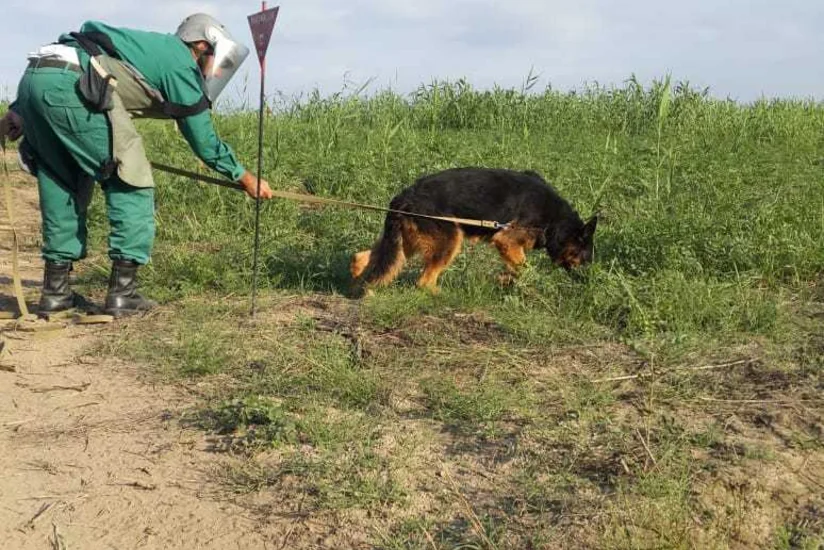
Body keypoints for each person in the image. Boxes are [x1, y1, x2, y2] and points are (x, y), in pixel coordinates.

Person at [0, 14, 273, 318]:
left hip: (37, 77)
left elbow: (68, 60)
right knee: (132, 179)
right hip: (76, 85)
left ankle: (55, 293)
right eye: (215, 58)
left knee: (61, 179)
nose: (215, 69)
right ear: (200, 45)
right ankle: (123, 294)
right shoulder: (179, 61)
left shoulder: (148, 49)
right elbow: (204, 141)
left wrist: (20, 109)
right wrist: (244, 176)